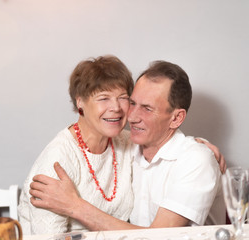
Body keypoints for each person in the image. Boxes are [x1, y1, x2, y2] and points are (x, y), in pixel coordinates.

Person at [29, 60, 225, 231]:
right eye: (132, 103)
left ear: (177, 118)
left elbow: (161, 237)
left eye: (147, 108)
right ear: (80, 102)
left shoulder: (192, 158)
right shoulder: (127, 147)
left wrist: (75, 206)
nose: (130, 116)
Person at [18, 55, 136, 234]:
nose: (116, 107)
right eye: (103, 98)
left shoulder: (128, 142)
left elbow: (167, 146)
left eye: (122, 97)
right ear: (80, 101)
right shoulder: (58, 159)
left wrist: (194, 145)